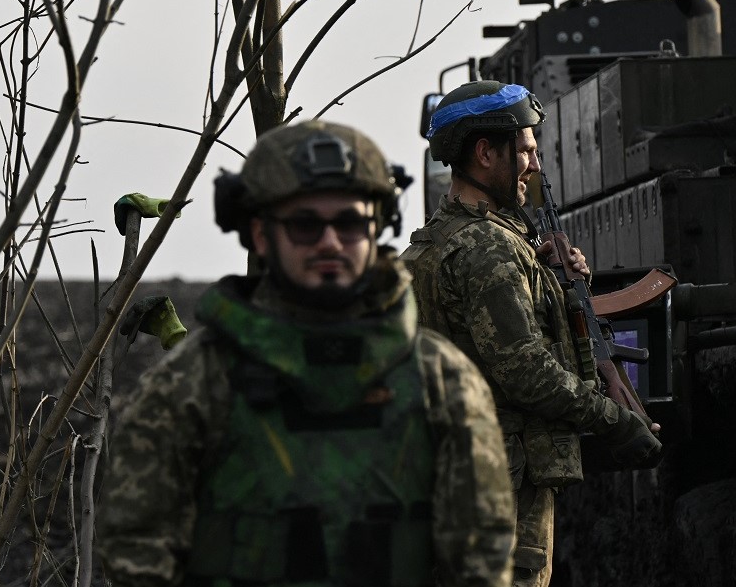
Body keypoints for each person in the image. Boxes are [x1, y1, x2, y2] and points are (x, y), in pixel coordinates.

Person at [98, 121, 516, 587]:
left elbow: (481, 559)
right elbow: (136, 554)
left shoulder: (441, 381)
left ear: (377, 227)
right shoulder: (191, 384)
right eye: (304, 224)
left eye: (350, 222)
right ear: (259, 234)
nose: (330, 242)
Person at [401, 81, 661, 587]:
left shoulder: (430, 244)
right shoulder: (488, 249)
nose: (535, 165)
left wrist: (559, 287)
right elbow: (529, 373)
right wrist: (615, 421)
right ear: (483, 153)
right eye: (523, 150)